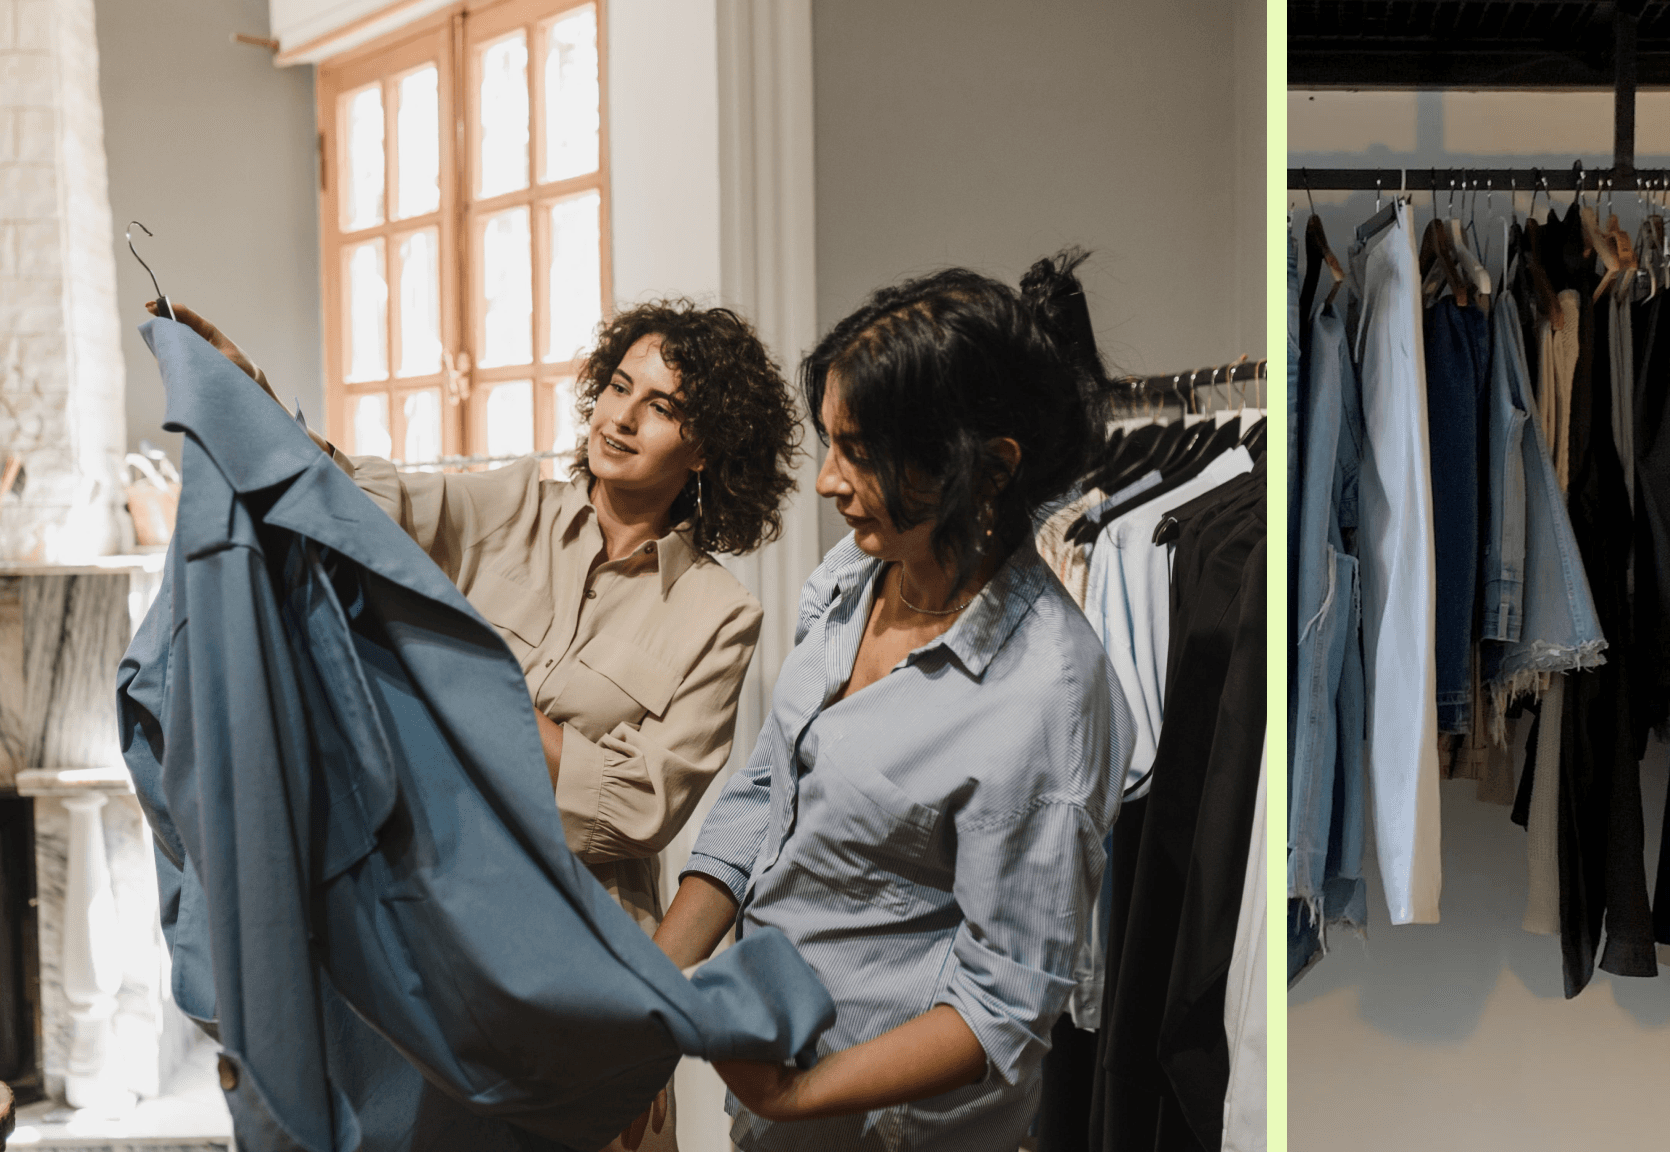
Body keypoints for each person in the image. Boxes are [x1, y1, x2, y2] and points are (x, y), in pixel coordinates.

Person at [150, 297, 803, 1152]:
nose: (622, 417)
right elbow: (358, 501)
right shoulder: (511, 503)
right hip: (443, 921)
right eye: (618, 387)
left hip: (590, 954)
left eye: (662, 406)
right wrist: (249, 395)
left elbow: (640, 807)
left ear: (707, 448)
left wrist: (469, 698)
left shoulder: (721, 614)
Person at [650, 250, 1135, 1151]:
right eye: (831, 443)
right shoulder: (856, 572)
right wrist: (650, 996)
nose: (827, 480)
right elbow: (768, 790)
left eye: (862, 455)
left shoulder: (1044, 698)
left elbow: (1003, 1006)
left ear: (989, 469)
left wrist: (800, 1095)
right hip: (778, 1118)